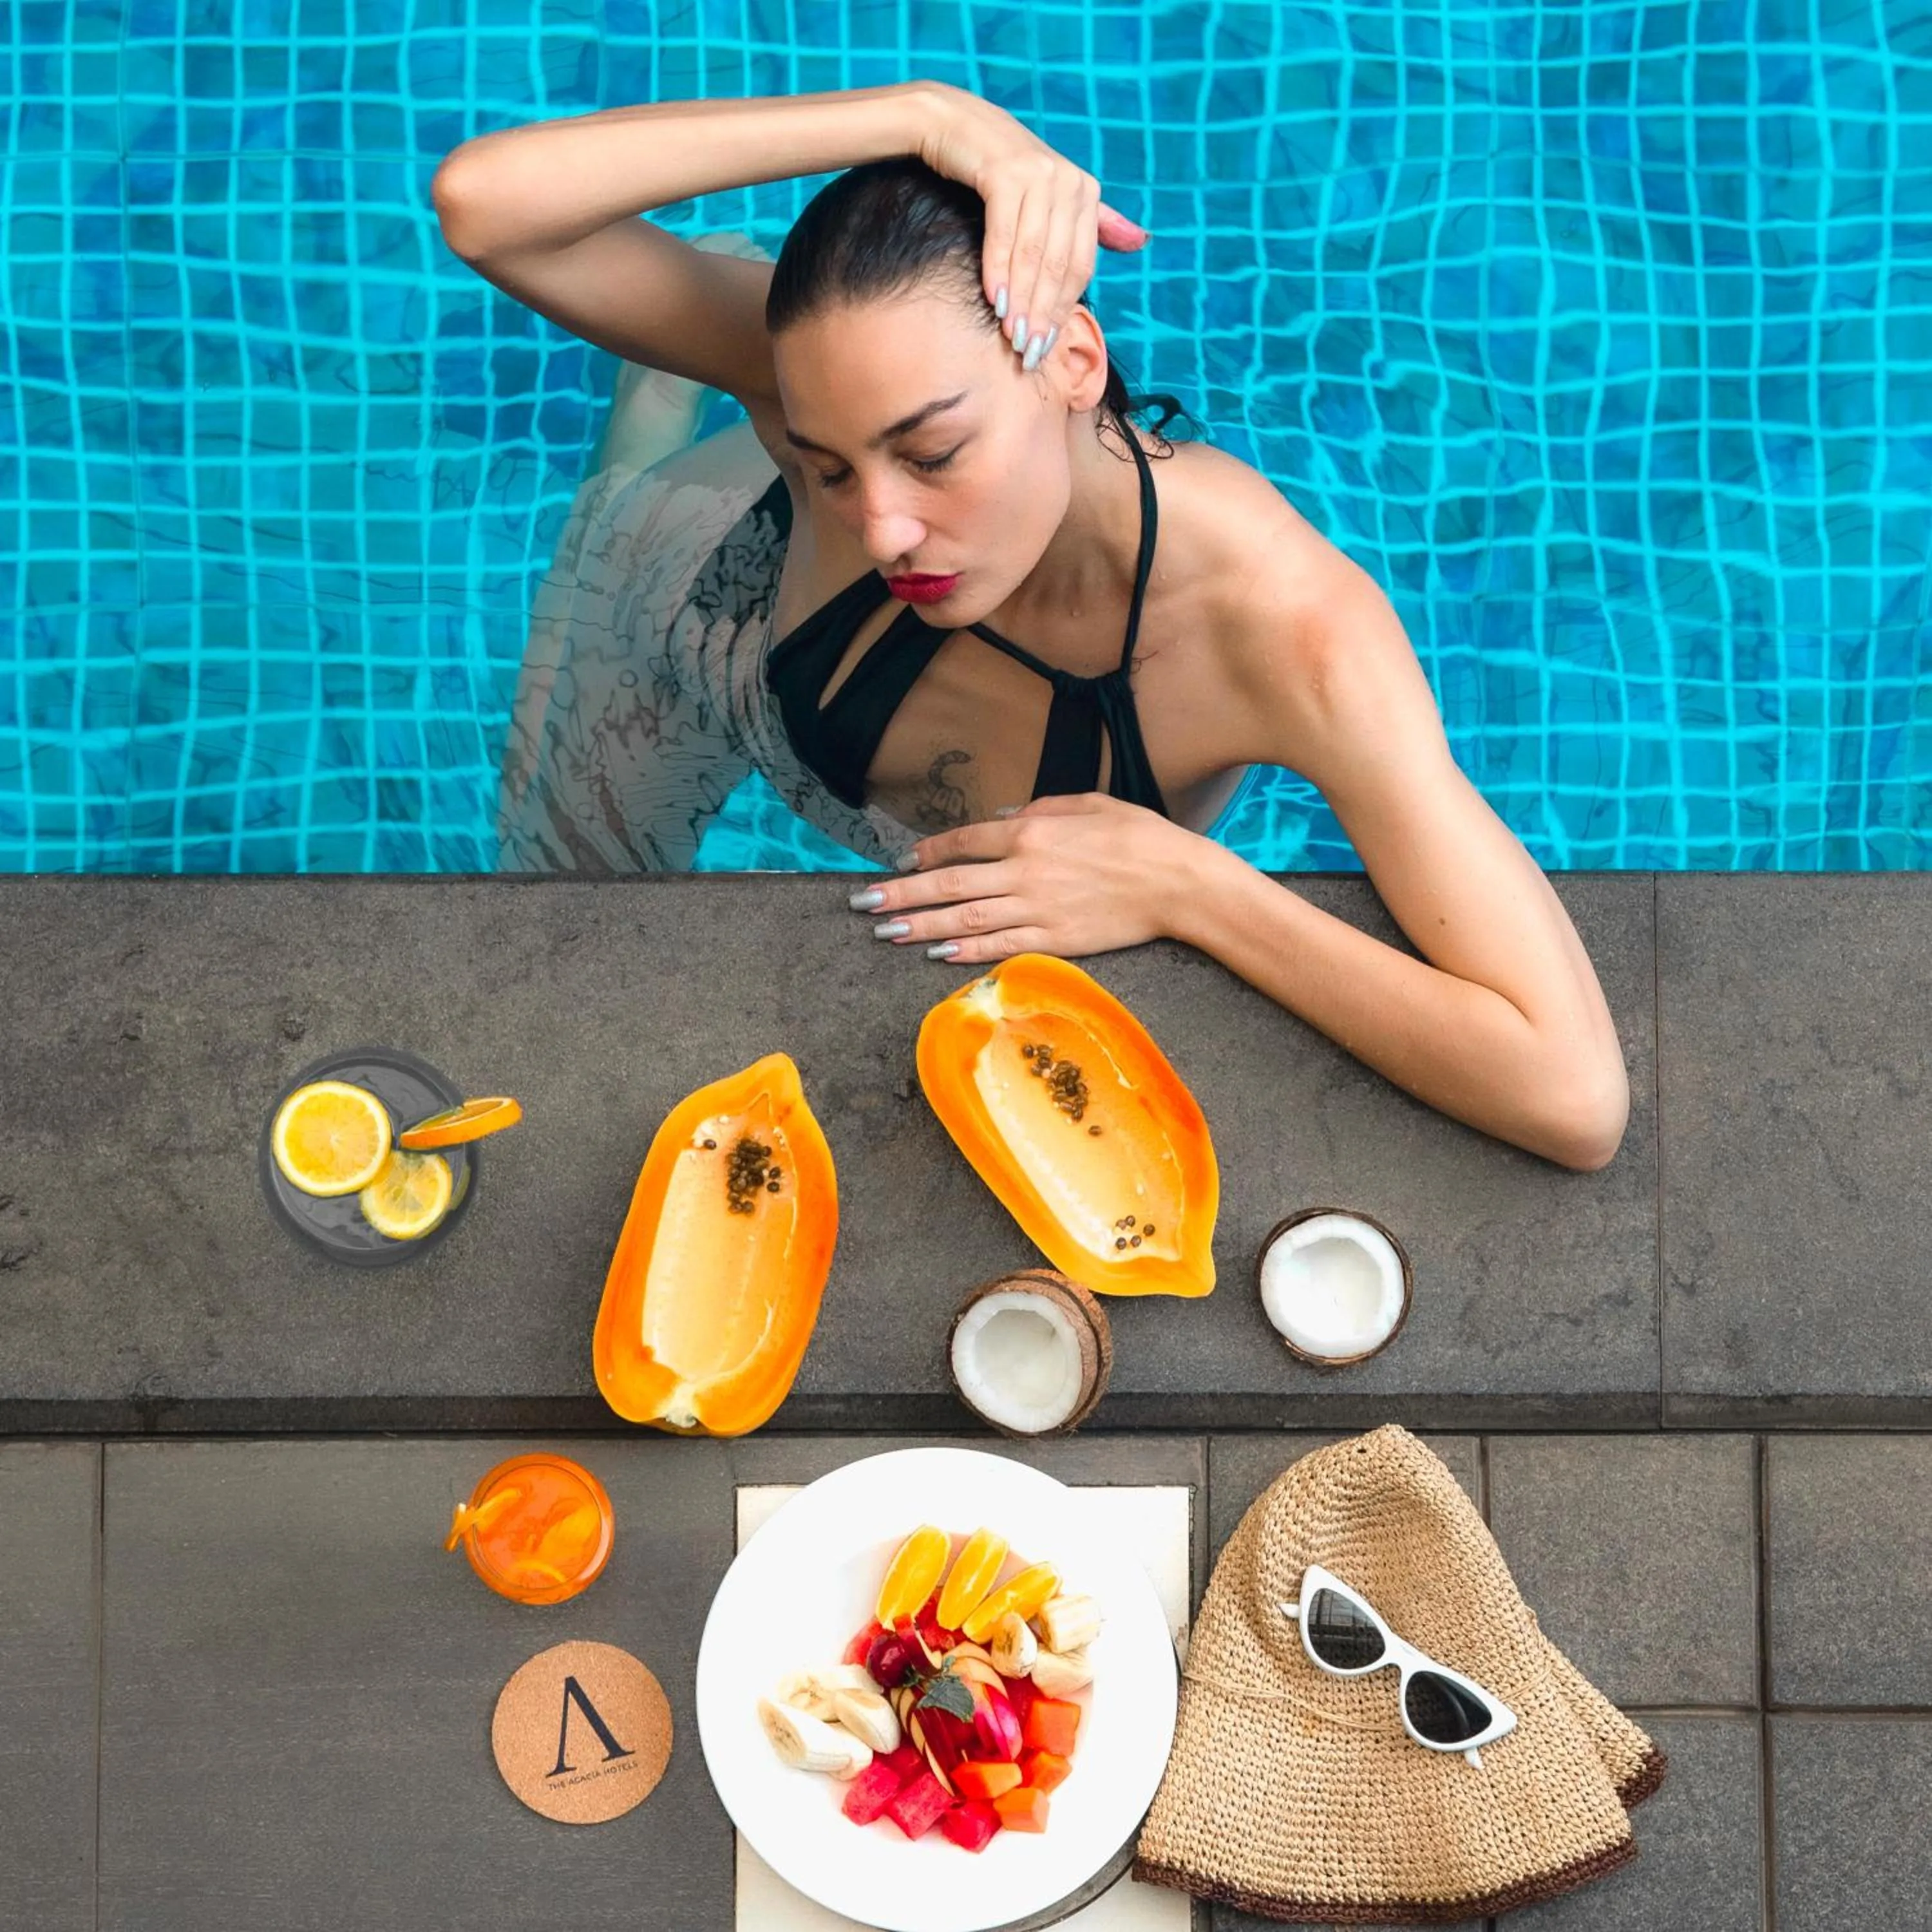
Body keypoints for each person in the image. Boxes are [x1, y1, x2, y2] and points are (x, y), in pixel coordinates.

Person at [432, 80, 1629, 1170]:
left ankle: (674, 365)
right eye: (827, 464)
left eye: (932, 451)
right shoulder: (841, 374)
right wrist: (921, 117)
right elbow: (484, 206)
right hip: (699, 626)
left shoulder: (1289, 633)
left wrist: (1197, 890)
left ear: (1072, 361)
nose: (887, 529)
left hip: (889, 804)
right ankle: (650, 425)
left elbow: (1572, 1094)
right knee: (547, 929)